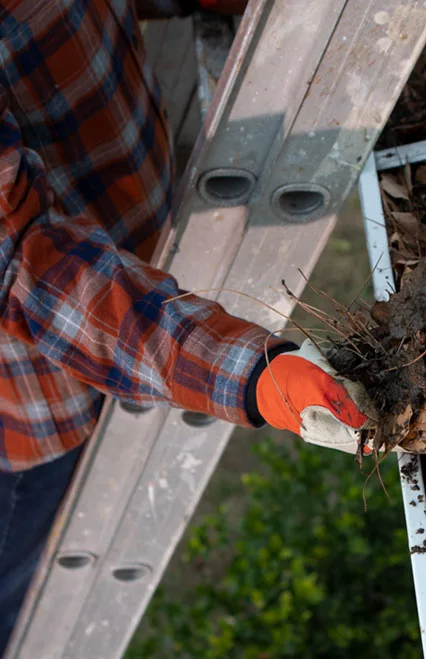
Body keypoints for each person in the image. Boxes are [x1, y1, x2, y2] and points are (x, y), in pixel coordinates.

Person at [0, 0, 371, 651]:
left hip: (135, 248)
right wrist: (249, 375)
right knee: (17, 578)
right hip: (36, 390)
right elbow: (30, 268)